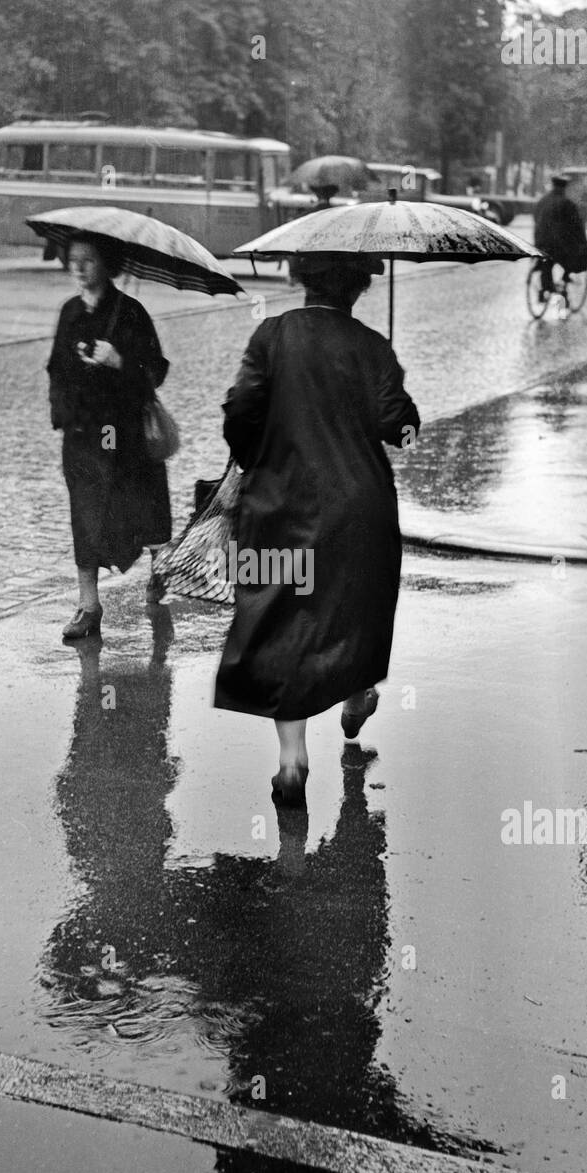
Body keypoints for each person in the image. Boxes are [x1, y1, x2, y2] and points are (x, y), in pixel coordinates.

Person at [213, 252, 421, 809]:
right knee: (355, 611)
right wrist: (395, 393)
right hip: (360, 508)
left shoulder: (271, 336)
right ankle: (357, 696)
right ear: (359, 288)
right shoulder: (373, 345)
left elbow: (239, 414)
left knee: (284, 620)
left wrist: (255, 454)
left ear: (300, 280)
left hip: (280, 505)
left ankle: (291, 759)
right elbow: (397, 426)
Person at [47, 235, 172, 640]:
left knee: (141, 508)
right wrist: (64, 412)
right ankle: (89, 606)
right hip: (82, 434)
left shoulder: (131, 312)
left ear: (107, 264)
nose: (79, 267)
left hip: (125, 435)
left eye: (88, 260)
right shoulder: (69, 312)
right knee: (85, 515)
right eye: (73, 260)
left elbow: (155, 370)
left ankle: (159, 570)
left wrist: (119, 360)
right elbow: (55, 369)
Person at [532, 173, 587, 300]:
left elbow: (536, 218)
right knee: (574, 257)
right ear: (564, 187)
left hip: (540, 243)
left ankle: (545, 288)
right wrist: (584, 244)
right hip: (558, 245)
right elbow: (577, 226)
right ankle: (565, 279)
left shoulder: (542, 201)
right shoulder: (567, 204)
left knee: (546, 262)